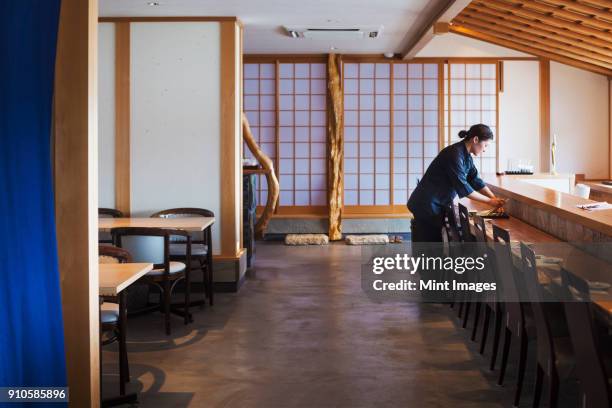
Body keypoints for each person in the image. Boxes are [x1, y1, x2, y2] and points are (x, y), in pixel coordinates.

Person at [407, 124, 505, 243]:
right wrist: (490, 202)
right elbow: (464, 187)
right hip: (427, 204)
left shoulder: (466, 156)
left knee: (433, 247)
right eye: (485, 145)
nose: (484, 150)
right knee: (428, 248)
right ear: (475, 140)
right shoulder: (454, 154)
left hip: (435, 203)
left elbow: (475, 180)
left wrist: (494, 198)